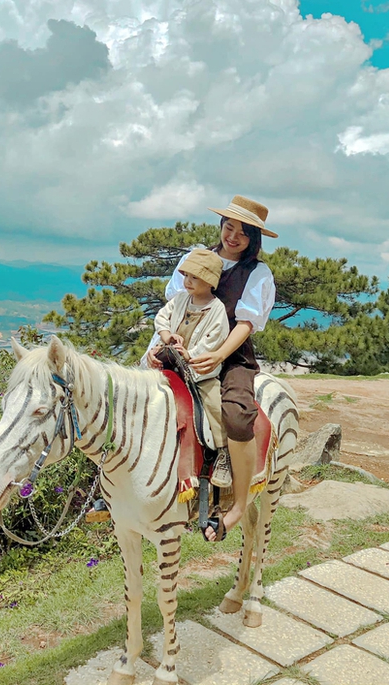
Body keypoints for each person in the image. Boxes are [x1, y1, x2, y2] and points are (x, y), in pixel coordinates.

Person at [147, 195, 277, 541]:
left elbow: (246, 324)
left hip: (230, 355)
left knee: (236, 413)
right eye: (228, 227)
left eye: (243, 232)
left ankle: (237, 503)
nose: (233, 236)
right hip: (179, 346)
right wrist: (156, 349)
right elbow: (173, 307)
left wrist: (218, 355)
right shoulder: (197, 258)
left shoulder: (257, 273)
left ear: (254, 239)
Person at [143, 248, 232, 487]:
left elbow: (213, 341)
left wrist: (190, 354)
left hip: (198, 371)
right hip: (169, 363)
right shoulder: (181, 299)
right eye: (186, 275)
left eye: (195, 277)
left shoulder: (217, 310)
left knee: (214, 402)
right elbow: (162, 317)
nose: (188, 281)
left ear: (210, 281)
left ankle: (224, 451)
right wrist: (167, 336)